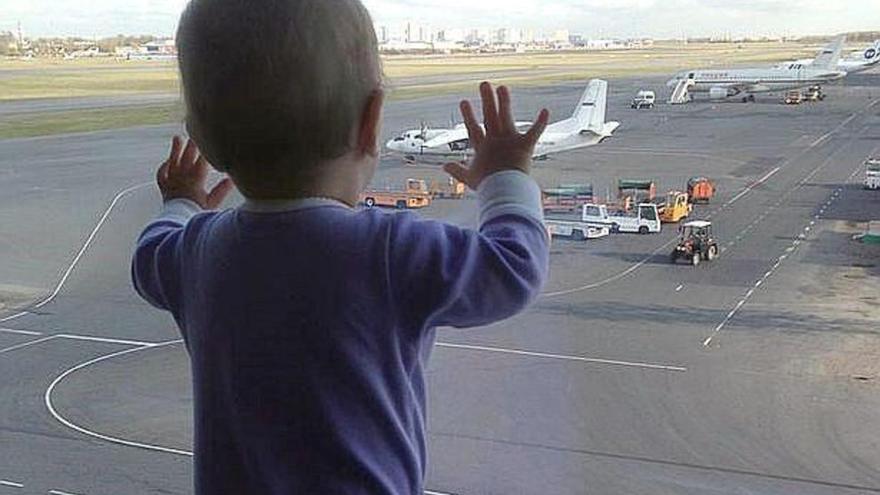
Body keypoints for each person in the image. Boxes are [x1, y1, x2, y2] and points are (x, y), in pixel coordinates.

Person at [131, 0, 551, 493]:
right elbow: (513, 267)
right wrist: (505, 176)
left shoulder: (194, 253)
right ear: (371, 121)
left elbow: (148, 255)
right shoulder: (388, 250)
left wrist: (181, 201)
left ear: (202, 137)